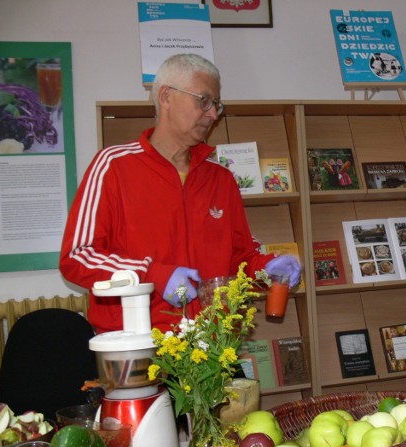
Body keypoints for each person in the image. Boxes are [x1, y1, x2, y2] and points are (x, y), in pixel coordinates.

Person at [59, 54, 301, 334]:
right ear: (166, 97)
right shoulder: (113, 165)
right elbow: (77, 257)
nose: (213, 114)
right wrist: (154, 274)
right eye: (204, 101)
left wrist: (267, 267)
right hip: (138, 346)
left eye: (217, 105)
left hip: (212, 347)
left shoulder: (220, 179)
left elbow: (239, 257)